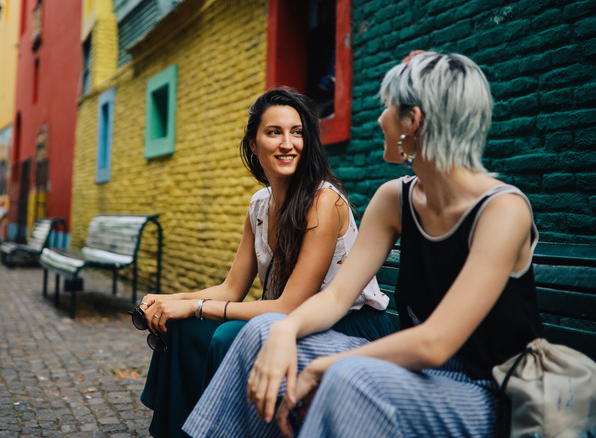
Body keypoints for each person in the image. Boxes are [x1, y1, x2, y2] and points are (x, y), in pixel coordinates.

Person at [183, 51, 544, 438]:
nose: (380, 119)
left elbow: (435, 343)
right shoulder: (395, 198)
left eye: (388, 107)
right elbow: (337, 297)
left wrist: (326, 365)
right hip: (417, 375)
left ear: (412, 122)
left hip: (487, 391)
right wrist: (285, 331)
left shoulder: (503, 209)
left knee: (349, 376)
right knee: (265, 331)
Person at [137, 87, 392, 437]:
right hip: (291, 317)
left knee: (226, 334)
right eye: (274, 132)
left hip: (347, 324)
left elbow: (290, 306)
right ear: (254, 145)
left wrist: (195, 306)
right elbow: (231, 289)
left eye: (297, 132)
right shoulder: (260, 204)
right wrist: (171, 302)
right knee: (182, 327)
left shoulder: (324, 202)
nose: (288, 143)